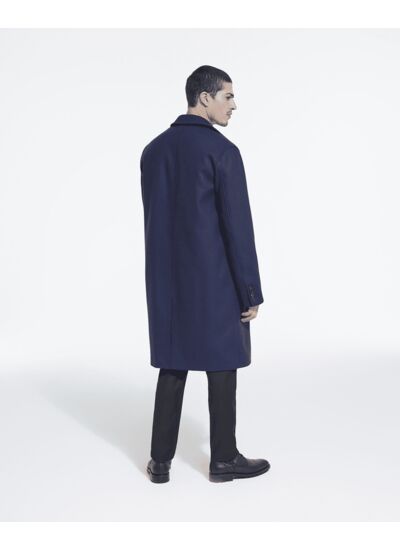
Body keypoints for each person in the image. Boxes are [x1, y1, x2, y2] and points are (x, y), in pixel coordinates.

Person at [140, 65, 270, 483]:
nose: (233, 105)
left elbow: (154, 220)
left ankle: (160, 462)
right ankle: (224, 459)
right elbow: (237, 227)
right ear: (204, 97)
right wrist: (250, 290)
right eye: (227, 96)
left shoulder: (153, 151)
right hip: (215, 280)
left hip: (167, 284)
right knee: (223, 365)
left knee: (173, 365)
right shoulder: (222, 152)